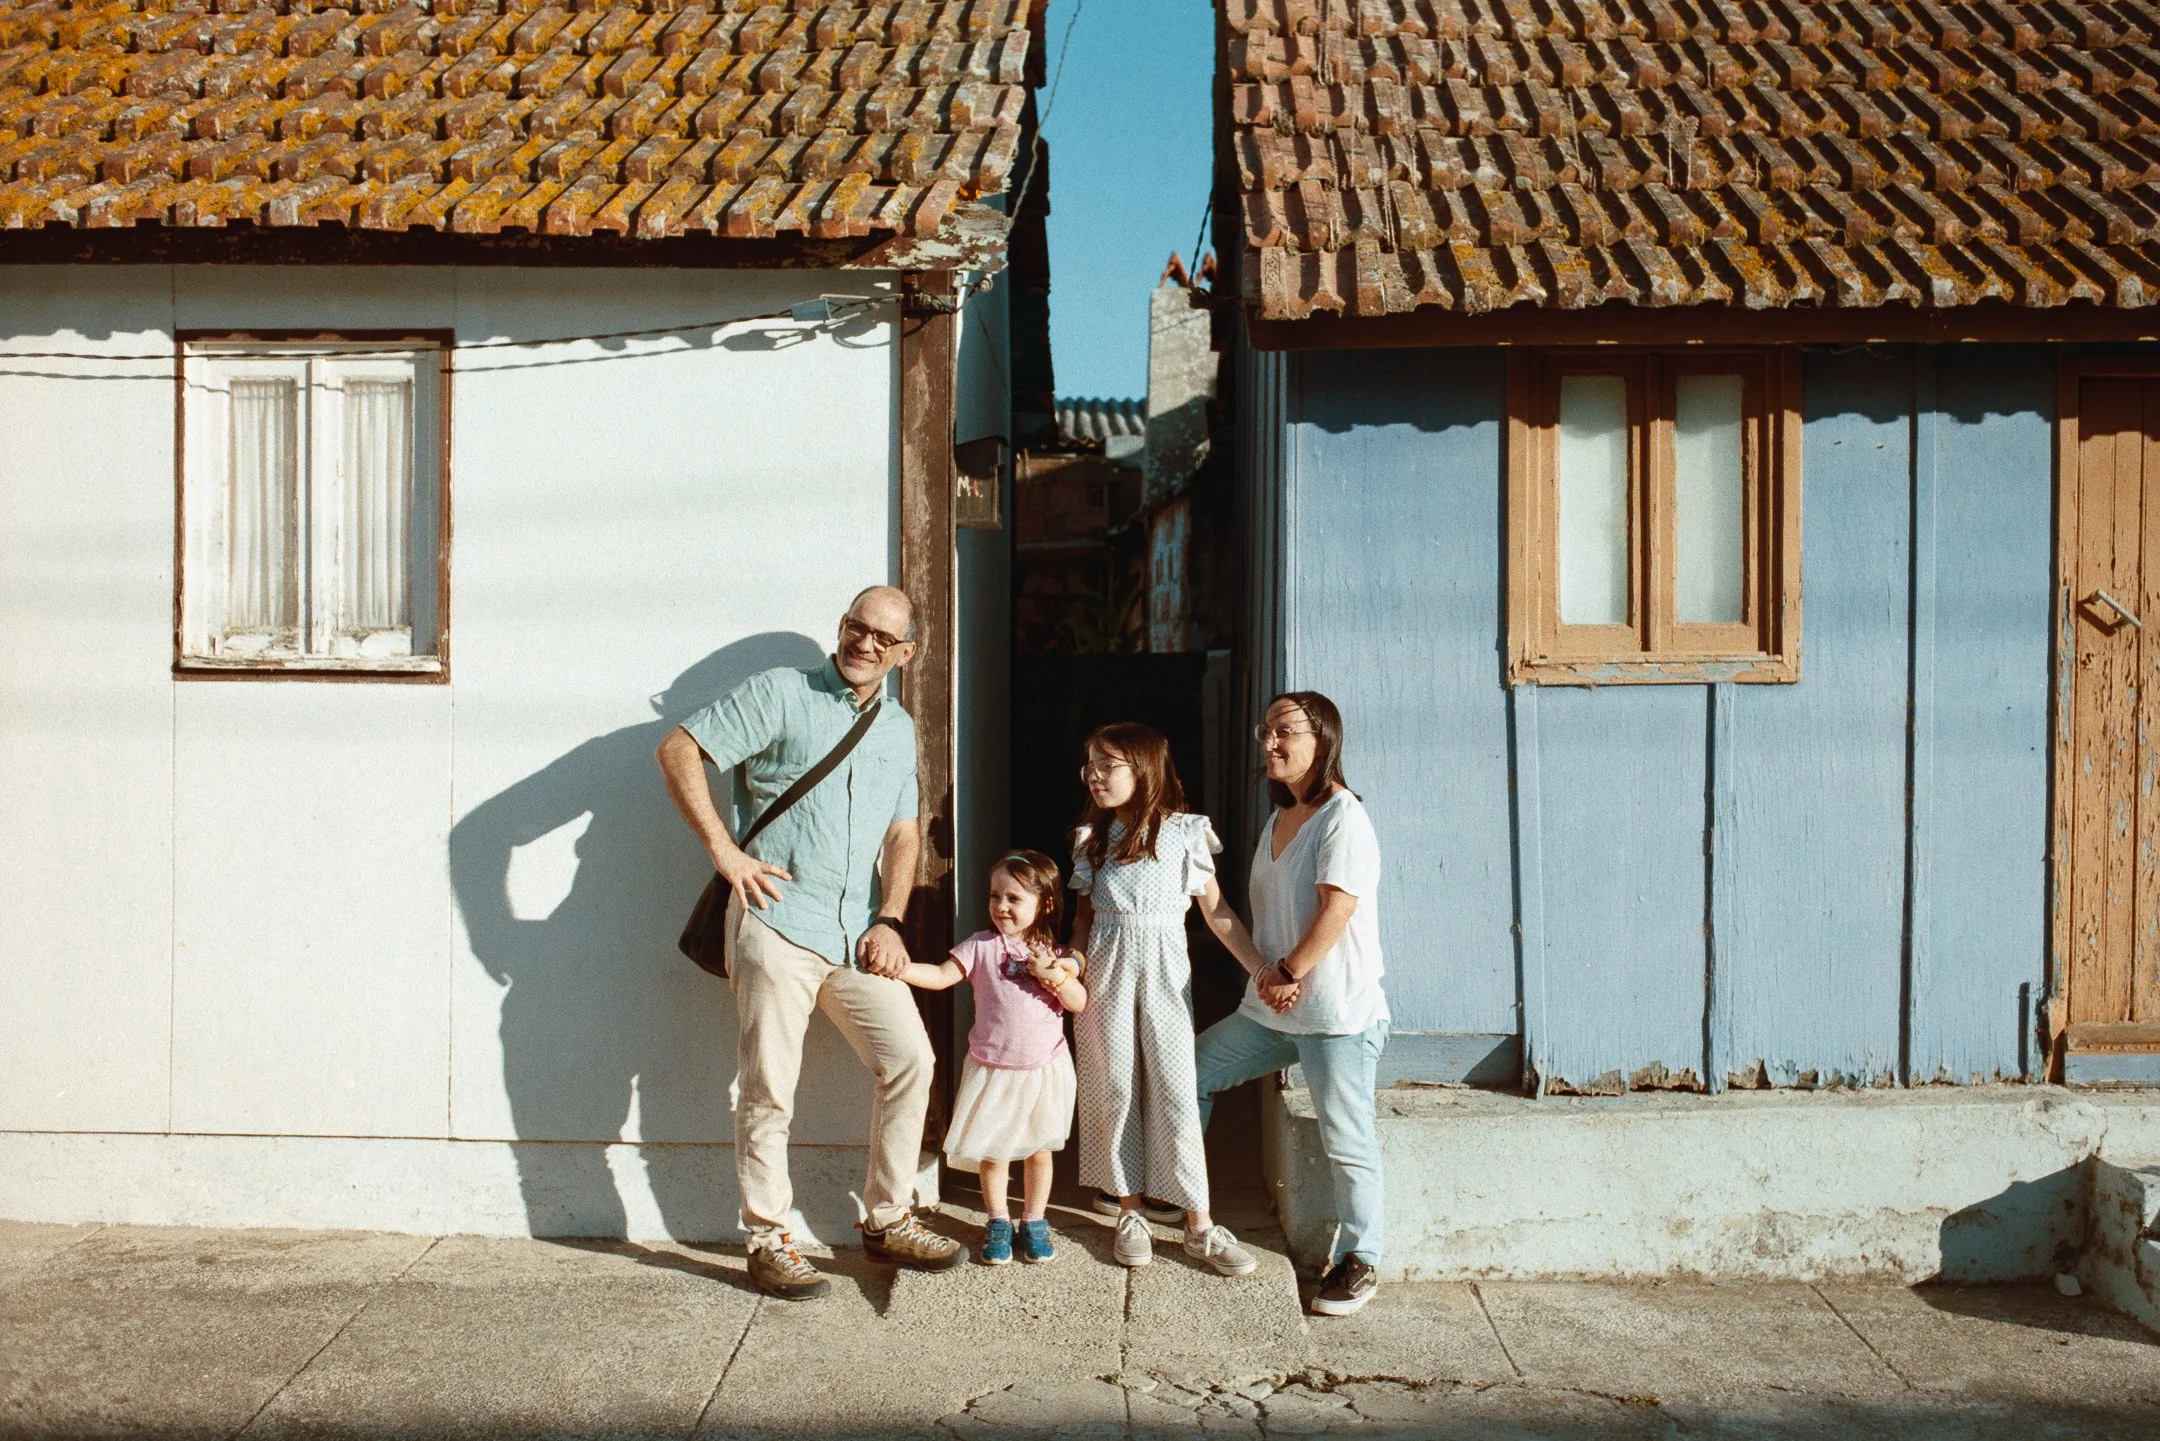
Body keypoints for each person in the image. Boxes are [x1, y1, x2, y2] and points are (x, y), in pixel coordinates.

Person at [655, 585, 966, 1300]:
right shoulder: (782, 692)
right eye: (858, 627)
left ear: (906, 652)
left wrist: (889, 916)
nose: (866, 643)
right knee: (770, 1084)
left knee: (910, 1059)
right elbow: (678, 750)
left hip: (854, 931)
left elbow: (902, 831)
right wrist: (724, 853)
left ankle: (887, 1217)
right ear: (842, 626)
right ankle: (767, 1236)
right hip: (776, 921)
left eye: (884, 638)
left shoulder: (896, 727)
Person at [1194, 691, 1388, 1317]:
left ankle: (1362, 1259)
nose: (1270, 743)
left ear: (1323, 738)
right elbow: (1254, 917)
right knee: (1192, 1071)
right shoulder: (1279, 819)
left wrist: (1289, 971)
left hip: (1336, 1012)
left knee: (1346, 1135)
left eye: (1286, 731)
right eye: (1266, 732)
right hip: (1276, 1009)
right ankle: (1185, 1194)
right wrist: (1266, 975)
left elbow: (1338, 908)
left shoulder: (1343, 818)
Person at [1069, 722, 1268, 1276]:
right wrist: (1070, 965)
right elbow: (1082, 923)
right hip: (1104, 979)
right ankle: (1128, 1211)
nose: (1094, 775)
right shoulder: (1092, 839)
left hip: (1164, 981)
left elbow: (1219, 915)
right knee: (1113, 1091)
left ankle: (1198, 1223)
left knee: (1177, 1092)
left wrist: (1261, 972)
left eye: (1108, 765)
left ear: (1145, 769)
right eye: (1090, 764)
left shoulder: (1186, 833)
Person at [899, 850, 1086, 1265]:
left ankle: (1035, 1219)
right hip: (994, 1069)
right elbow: (943, 976)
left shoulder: (1056, 954)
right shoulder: (981, 946)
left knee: (1040, 1150)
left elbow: (1078, 1002)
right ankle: (999, 1219)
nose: (1001, 906)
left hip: (1043, 1070)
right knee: (995, 1151)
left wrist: (1052, 975)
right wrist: (901, 969)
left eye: (1014, 898)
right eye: (995, 896)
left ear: (1046, 904)